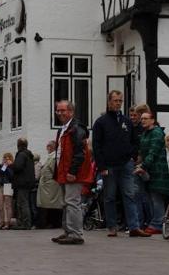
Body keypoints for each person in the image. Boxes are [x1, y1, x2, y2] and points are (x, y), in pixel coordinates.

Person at [92, 90, 150, 237]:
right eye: (115, 100)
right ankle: (112, 226)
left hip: (126, 163)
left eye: (120, 101)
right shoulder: (101, 122)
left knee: (130, 194)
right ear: (109, 102)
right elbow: (97, 146)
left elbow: (135, 141)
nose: (118, 103)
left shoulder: (126, 121)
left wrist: (133, 155)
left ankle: (134, 227)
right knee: (110, 196)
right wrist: (102, 166)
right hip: (109, 165)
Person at [51, 100, 94, 245]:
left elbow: (80, 152)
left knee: (72, 202)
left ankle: (75, 233)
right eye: (58, 110)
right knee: (66, 203)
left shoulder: (76, 129)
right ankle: (68, 231)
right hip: (64, 171)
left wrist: (73, 171)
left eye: (63, 110)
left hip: (72, 173)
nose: (60, 113)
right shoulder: (64, 129)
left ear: (71, 112)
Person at [135, 111, 169, 235]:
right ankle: (155, 222)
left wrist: (143, 166)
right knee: (151, 197)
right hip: (150, 170)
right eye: (142, 119)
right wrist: (139, 163)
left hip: (158, 170)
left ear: (152, 120)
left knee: (156, 198)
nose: (143, 121)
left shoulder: (156, 133)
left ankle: (157, 223)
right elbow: (142, 151)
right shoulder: (145, 133)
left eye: (146, 118)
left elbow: (153, 152)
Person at [8, 138, 35, 230]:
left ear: (18, 145)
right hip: (27, 182)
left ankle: (25, 224)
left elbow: (18, 167)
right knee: (23, 203)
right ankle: (22, 223)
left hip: (22, 182)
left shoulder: (21, 154)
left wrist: (10, 164)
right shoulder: (29, 155)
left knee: (23, 203)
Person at [36, 141, 63, 229]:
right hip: (48, 185)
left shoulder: (54, 157)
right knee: (48, 204)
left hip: (50, 185)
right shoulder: (51, 157)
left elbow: (54, 171)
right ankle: (49, 222)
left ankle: (53, 223)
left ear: (50, 147)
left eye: (47, 146)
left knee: (51, 204)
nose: (46, 148)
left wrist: (47, 179)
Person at [0, 153, 14, 230]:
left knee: (7, 206)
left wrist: (7, 166)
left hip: (8, 185)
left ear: (10, 159)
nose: (5, 160)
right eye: (4, 158)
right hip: (0, 185)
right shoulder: (2, 166)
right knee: (0, 205)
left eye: (6, 158)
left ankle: (7, 223)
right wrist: (1, 165)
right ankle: (1, 222)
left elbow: (11, 176)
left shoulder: (12, 166)